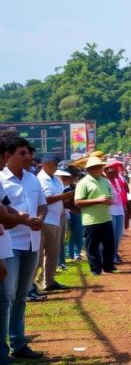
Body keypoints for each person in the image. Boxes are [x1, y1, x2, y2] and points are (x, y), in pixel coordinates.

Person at [0, 135, 47, 360]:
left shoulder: (32, 179)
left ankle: (18, 343)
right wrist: (22, 219)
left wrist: (38, 218)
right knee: (7, 295)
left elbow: (42, 205)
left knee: (21, 295)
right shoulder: (1, 179)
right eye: (23, 153)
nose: (29, 157)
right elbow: (6, 213)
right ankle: (3, 349)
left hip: (31, 241)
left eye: (29, 153)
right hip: (9, 242)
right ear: (8, 157)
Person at [74, 154, 116, 277]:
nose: (99, 169)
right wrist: (98, 200)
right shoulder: (83, 183)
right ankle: (95, 269)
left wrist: (108, 200)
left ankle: (108, 266)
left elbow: (110, 196)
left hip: (106, 218)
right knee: (92, 246)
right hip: (91, 220)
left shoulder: (104, 181)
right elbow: (78, 202)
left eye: (100, 167)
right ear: (89, 169)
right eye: (96, 167)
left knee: (109, 245)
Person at [35, 155, 73, 292]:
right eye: (52, 165)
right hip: (45, 219)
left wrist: (66, 200)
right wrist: (63, 197)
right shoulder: (39, 180)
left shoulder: (57, 180)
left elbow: (60, 197)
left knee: (53, 251)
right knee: (40, 254)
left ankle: (49, 281)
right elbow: (43, 200)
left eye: (56, 165)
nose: (55, 167)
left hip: (57, 218)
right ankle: (35, 283)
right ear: (44, 165)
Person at [103, 162, 128, 263]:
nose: (116, 173)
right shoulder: (104, 182)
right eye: (113, 172)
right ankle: (110, 256)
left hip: (120, 210)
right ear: (107, 173)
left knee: (118, 235)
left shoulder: (118, 181)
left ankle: (115, 254)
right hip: (110, 211)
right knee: (111, 235)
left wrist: (125, 207)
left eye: (116, 172)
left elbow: (123, 193)